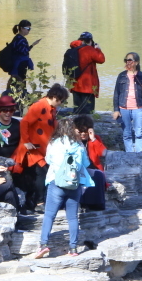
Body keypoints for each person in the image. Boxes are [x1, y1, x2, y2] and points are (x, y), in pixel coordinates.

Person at [34, 117, 96, 259]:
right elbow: (86, 164)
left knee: (49, 215)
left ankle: (43, 245)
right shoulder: (79, 145)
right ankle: (73, 248)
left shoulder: (53, 143)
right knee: (73, 217)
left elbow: (48, 160)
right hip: (74, 184)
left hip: (56, 182)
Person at [11, 84, 68, 214]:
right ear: (54, 97)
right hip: (33, 149)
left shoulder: (51, 108)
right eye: (60, 100)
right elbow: (25, 122)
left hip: (43, 149)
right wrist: (26, 142)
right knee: (42, 173)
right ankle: (40, 202)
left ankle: (32, 202)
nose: (61, 103)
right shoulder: (39, 106)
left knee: (39, 175)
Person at [112, 52, 142, 153]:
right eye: (126, 60)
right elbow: (116, 93)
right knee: (127, 133)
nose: (128, 62)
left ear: (136, 62)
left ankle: (138, 154)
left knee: (139, 133)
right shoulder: (121, 76)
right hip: (124, 108)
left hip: (138, 108)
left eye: (130, 60)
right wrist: (116, 110)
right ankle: (129, 154)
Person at [73, 114, 107, 212]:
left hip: (92, 167)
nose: (83, 134)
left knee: (98, 175)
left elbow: (103, 153)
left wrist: (93, 139)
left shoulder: (95, 139)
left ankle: (96, 204)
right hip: (78, 168)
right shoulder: (73, 140)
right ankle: (83, 203)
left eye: (85, 131)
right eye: (81, 131)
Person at [68, 32, 105, 115]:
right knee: (88, 112)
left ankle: (76, 126)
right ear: (90, 41)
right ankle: (86, 126)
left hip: (75, 84)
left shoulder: (74, 48)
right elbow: (101, 59)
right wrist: (98, 49)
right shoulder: (89, 50)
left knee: (77, 110)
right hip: (87, 86)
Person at [4, 20, 37, 96]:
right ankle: (20, 99)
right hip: (20, 66)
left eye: (30, 29)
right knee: (20, 83)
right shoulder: (20, 39)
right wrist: (32, 45)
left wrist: (32, 45)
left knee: (15, 83)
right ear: (21, 28)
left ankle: (13, 97)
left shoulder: (17, 38)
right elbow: (24, 52)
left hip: (17, 64)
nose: (29, 31)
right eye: (27, 28)